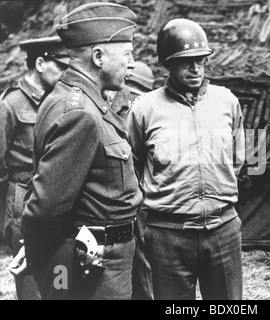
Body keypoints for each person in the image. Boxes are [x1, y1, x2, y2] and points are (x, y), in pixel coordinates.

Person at [20, 2, 143, 300]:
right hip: (95, 261)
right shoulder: (81, 114)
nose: (133, 63)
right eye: (127, 54)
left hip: (100, 255)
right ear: (98, 56)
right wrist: (46, 258)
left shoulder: (74, 100)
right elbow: (47, 206)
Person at [126, 18, 246, 300]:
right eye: (186, 62)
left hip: (223, 229)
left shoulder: (226, 101)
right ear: (167, 64)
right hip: (168, 233)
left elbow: (239, 158)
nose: (195, 69)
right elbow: (131, 164)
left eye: (201, 61)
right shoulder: (145, 109)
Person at [0, 35, 70, 300]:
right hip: (22, 198)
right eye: (62, 67)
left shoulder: (59, 100)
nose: (66, 73)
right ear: (40, 63)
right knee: (28, 270)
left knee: (60, 268)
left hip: (56, 195)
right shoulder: (10, 104)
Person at [102, 60, 156, 300]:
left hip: (136, 198)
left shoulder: (133, 110)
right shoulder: (110, 106)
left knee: (142, 267)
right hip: (124, 199)